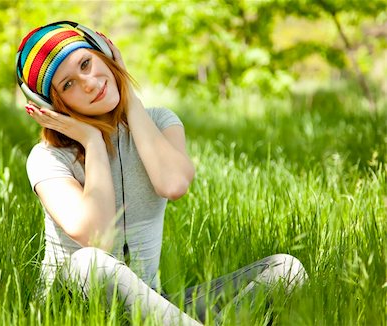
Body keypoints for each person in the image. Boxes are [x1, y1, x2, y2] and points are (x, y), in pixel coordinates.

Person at [16, 21, 307, 325]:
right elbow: (97, 238)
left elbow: (173, 183)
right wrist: (92, 141)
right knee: (90, 262)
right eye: (68, 85)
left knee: (286, 269)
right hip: (75, 306)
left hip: (154, 305)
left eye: (87, 63)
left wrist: (129, 99)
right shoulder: (47, 158)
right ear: (52, 105)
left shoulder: (159, 121)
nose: (88, 83)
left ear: (105, 53)